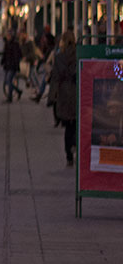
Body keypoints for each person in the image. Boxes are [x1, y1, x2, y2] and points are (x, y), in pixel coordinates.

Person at [49, 30, 79, 165]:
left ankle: (69, 156)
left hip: (64, 95)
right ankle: (74, 145)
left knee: (68, 126)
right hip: (77, 93)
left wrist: (51, 98)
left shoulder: (59, 57)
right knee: (76, 124)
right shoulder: (79, 55)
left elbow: (55, 78)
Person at [0, 29, 23, 102]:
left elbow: (18, 55)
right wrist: (2, 61)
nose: (7, 37)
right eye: (7, 35)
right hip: (7, 65)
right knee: (8, 81)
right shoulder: (7, 43)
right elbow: (5, 54)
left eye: (8, 35)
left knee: (9, 81)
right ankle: (18, 91)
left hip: (12, 66)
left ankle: (10, 97)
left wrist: (16, 66)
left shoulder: (15, 44)